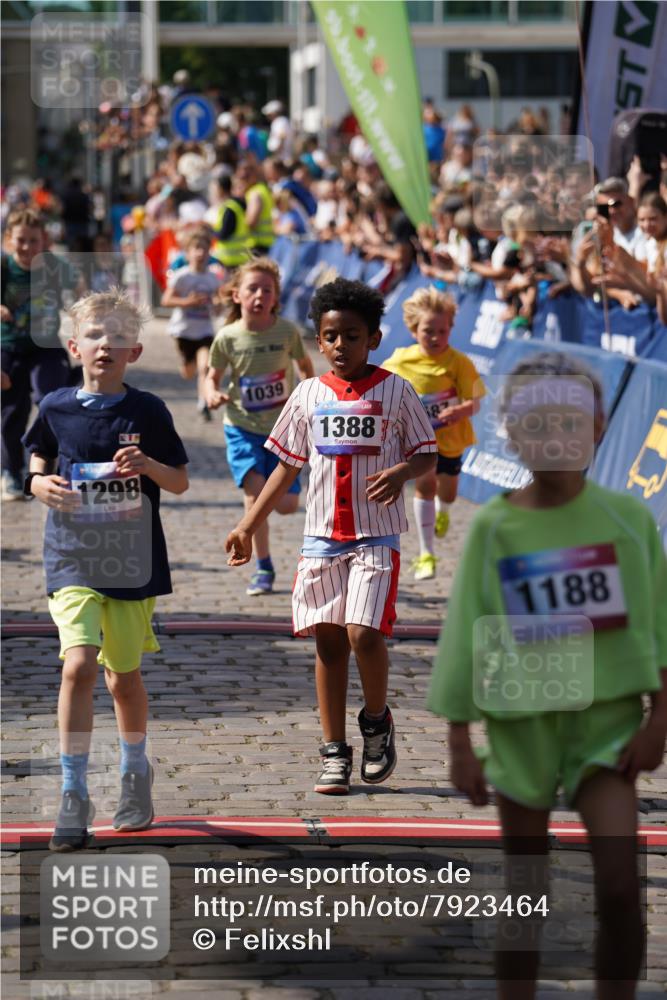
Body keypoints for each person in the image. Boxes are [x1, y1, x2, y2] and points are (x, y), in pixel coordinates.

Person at [428, 352, 666, 999]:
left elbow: (659, 621)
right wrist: (459, 742)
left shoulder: (629, 520)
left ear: (598, 426)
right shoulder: (495, 528)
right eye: (538, 424)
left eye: (570, 422)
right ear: (511, 432)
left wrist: (660, 719)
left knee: (620, 888)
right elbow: (465, 632)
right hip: (521, 728)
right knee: (525, 892)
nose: (555, 437)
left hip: (606, 730)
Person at [225, 278, 438, 794]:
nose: (341, 345)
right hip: (321, 538)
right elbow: (285, 466)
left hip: (375, 536)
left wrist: (402, 472)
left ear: (374, 339)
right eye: (331, 336)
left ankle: (377, 721)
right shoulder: (307, 395)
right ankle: (334, 750)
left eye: (353, 336)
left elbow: (427, 452)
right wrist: (248, 525)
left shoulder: (396, 391)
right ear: (318, 341)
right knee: (328, 639)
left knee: (363, 633)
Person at [22, 289, 189, 851]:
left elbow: (179, 481)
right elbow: (38, 452)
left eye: (118, 338)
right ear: (74, 347)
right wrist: (37, 482)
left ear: (135, 352)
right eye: (95, 335)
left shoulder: (149, 410)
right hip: (71, 555)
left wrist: (148, 465)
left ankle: (134, 772)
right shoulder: (56, 406)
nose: (105, 346)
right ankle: (73, 791)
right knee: (77, 666)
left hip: (131, 560)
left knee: (123, 677)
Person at [205, 258, 314, 595]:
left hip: (283, 428)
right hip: (242, 426)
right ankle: (263, 566)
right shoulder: (227, 337)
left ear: (276, 297)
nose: (260, 296)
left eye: (267, 290)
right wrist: (211, 394)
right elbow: (211, 377)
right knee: (254, 496)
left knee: (286, 506)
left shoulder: (287, 332)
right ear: (236, 295)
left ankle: (267, 546)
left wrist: (311, 396)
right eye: (252, 289)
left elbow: (306, 367)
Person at [382, 287, 485, 581]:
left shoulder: (458, 362)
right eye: (428, 331)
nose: (436, 338)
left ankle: (444, 511)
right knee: (425, 485)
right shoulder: (400, 360)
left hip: (451, 439)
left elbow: (475, 402)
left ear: (451, 329)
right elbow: (380, 388)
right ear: (414, 330)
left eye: (443, 331)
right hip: (419, 442)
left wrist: (459, 411)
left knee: (447, 492)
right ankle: (426, 554)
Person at [1, 209, 82, 500]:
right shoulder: (4, 267)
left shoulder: (53, 266)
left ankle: (57, 465)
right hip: (8, 346)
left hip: (46, 346)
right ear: (9, 239)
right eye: (20, 240)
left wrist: (81, 311)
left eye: (33, 241)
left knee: (52, 400)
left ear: (43, 240)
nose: (27, 247)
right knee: (12, 410)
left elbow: (80, 288)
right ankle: (11, 471)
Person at [161, 228, 223, 421]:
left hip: (205, 330)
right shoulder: (182, 276)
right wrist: (188, 302)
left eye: (204, 249)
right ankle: (187, 364)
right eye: (196, 248)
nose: (200, 253)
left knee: (205, 367)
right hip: (183, 330)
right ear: (187, 253)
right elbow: (166, 300)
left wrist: (217, 304)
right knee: (188, 372)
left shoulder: (212, 278)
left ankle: (203, 402)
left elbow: (218, 307)